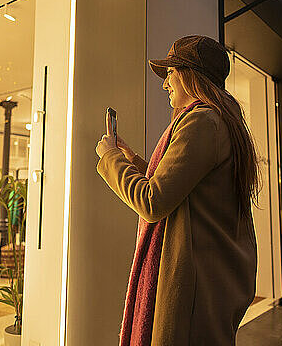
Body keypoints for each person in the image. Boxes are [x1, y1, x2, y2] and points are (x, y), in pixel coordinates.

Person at [95, 35, 259, 346]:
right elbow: (186, 189)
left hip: (192, 289)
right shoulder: (219, 119)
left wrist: (110, 157)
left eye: (170, 73)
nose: (165, 83)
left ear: (188, 74)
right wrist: (133, 160)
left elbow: (152, 201)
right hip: (209, 281)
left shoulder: (202, 121)